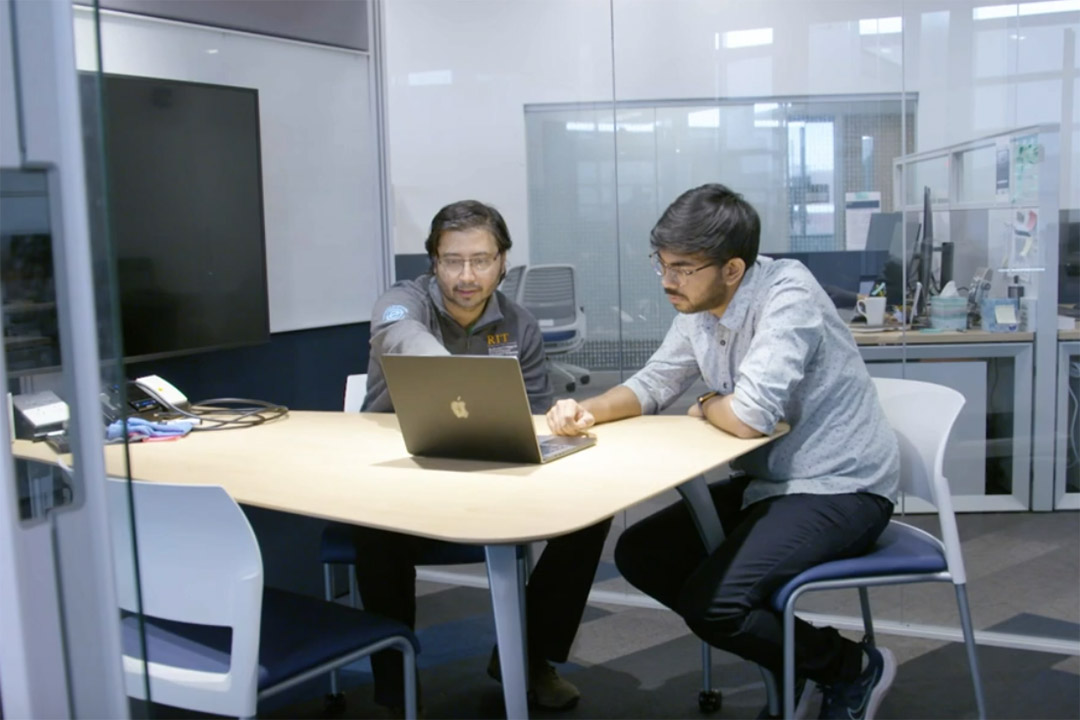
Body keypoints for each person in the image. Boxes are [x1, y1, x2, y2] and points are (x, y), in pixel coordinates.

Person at [546, 184, 900, 720]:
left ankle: (848, 666)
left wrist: (709, 401)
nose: (667, 280)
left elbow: (749, 415)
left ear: (732, 269)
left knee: (718, 605)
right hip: (772, 485)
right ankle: (799, 661)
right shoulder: (698, 305)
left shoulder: (788, 294)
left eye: (682, 268)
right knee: (641, 554)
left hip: (841, 486)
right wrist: (587, 410)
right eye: (661, 264)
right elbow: (654, 383)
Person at [356, 199, 611, 714]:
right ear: (433, 262)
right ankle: (395, 684)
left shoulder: (520, 325)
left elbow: (538, 415)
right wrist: (455, 377)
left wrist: (558, 422)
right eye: (453, 260)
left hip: (494, 471)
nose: (467, 275)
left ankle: (529, 657)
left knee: (591, 515)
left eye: (481, 260)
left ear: (503, 262)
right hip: (406, 468)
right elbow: (402, 336)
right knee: (373, 528)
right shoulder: (402, 302)